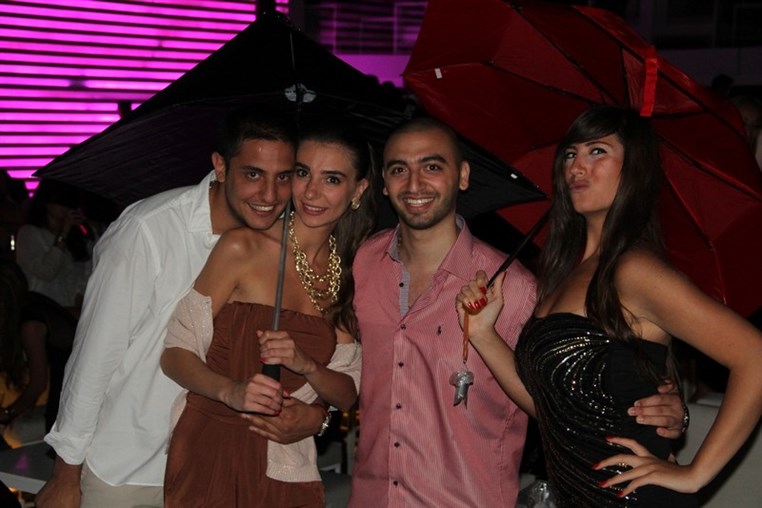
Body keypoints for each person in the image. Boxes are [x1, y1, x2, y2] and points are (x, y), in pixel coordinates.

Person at [347, 116, 687, 507]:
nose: (414, 183)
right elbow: (344, 358)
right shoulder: (365, 262)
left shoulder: (515, 288)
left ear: (463, 176)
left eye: (432, 166)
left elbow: (572, 388)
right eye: (398, 169)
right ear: (383, 183)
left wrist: (662, 409)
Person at [456, 105, 762, 506]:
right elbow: (551, 407)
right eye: (570, 154)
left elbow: (754, 355)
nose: (576, 166)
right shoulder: (565, 273)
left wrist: (696, 474)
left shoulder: (633, 270)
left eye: (597, 151)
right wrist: (483, 333)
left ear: (634, 169)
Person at [36, 108, 326, 508]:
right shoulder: (149, 230)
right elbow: (95, 354)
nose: (269, 195)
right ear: (221, 167)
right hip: (127, 466)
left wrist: (317, 413)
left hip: (213, 464)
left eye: (283, 177)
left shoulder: (282, 247)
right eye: (253, 174)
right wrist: (66, 472)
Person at [160, 119, 374, 506]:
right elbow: (175, 353)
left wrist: (308, 369)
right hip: (211, 448)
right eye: (302, 173)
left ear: (358, 190)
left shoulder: (347, 276)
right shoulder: (242, 247)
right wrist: (230, 390)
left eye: (331, 179)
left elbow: (346, 394)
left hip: (288, 461)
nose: (311, 191)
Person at [0, 259, 76, 435]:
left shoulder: (30, 325)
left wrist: (8, 413)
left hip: (72, 378)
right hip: (71, 374)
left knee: (57, 433)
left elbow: (38, 383)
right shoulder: (32, 300)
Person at [15, 179, 94, 315]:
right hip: (42, 311)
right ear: (46, 201)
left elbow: (88, 270)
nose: (64, 206)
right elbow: (46, 271)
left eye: (69, 200)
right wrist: (63, 233)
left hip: (74, 311)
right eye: (59, 200)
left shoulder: (78, 237)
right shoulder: (29, 233)